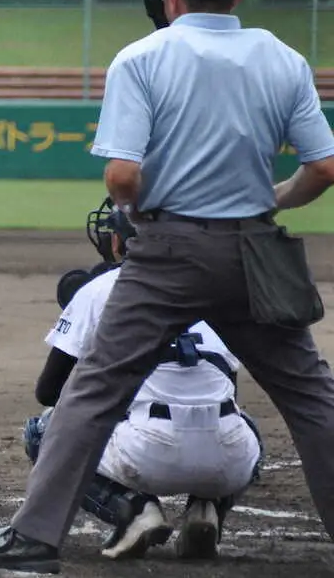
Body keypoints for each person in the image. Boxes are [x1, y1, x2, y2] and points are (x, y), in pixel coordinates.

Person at [0, 0, 334, 574]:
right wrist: (270, 200)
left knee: (92, 393)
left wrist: (144, 213)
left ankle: (34, 539)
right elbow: (324, 167)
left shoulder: (142, 57)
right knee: (312, 397)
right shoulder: (282, 57)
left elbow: (121, 177)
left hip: (168, 249)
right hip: (256, 249)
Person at [25, 196, 262, 562]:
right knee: (241, 420)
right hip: (229, 456)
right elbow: (229, 385)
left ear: (120, 241)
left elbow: (49, 392)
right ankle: (208, 507)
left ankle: (132, 509)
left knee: (43, 432)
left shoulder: (100, 289)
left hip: (146, 449)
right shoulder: (217, 287)